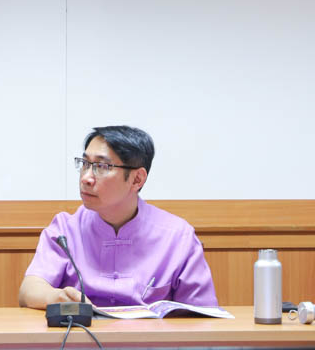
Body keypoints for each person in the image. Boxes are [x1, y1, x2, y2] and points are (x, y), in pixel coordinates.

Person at [18, 125, 219, 309]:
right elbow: (29, 289)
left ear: (137, 179)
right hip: (81, 335)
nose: (86, 178)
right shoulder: (65, 229)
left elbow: (202, 313)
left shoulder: (178, 237)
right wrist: (55, 297)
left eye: (101, 166)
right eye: (85, 163)